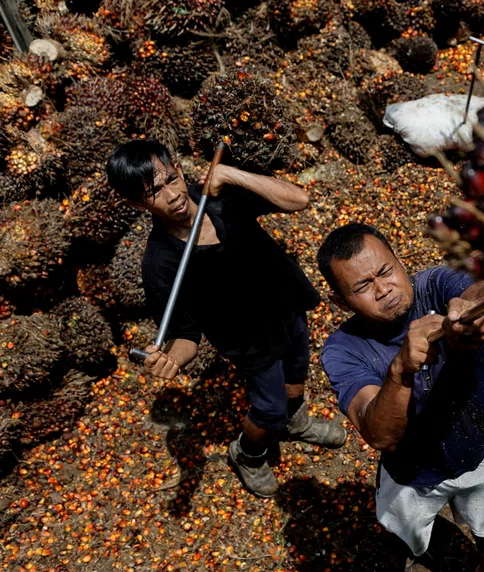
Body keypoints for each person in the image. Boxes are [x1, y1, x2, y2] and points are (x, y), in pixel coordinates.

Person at [317, 223, 484, 572]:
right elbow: (379, 435)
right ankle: (402, 565)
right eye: (362, 286)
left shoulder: (436, 286)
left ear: (400, 261)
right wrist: (401, 369)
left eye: (385, 271)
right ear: (340, 301)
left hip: (479, 449)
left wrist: (473, 317)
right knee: (399, 530)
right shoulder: (342, 349)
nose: (383, 289)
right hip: (410, 469)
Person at [106, 139, 347, 499]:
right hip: (249, 341)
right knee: (269, 410)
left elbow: (298, 200)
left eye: (171, 179)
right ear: (138, 204)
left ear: (179, 169)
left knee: (296, 377)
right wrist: (172, 359)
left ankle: (296, 424)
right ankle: (247, 454)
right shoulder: (160, 264)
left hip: (287, 305)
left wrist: (231, 174)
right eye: (155, 192)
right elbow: (184, 335)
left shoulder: (220, 197)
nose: (172, 195)